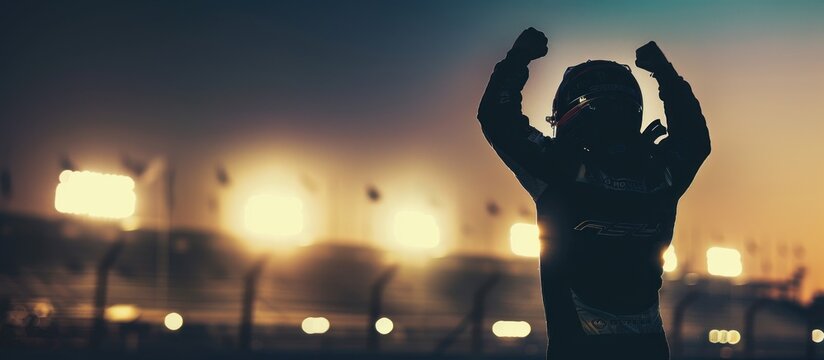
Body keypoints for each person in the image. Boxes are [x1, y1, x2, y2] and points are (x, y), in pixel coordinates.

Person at [477, 27, 711, 360]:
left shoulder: (559, 169)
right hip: (650, 350)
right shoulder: (662, 174)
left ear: (573, 109)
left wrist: (518, 57)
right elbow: (695, 138)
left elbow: (497, 119)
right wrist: (665, 74)